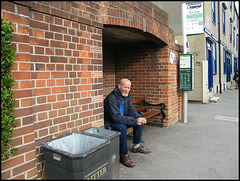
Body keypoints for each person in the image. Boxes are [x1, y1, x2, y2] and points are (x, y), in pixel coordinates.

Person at [104, 78, 151, 167]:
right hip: (111, 122)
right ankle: (123, 155)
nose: (127, 90)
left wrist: (139, 117)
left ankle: (137, 146)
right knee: (122, 128)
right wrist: (134, 120)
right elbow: (115, 117)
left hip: (122, 119)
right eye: (125, 87)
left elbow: (131, 110)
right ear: (119, 86)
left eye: (129, 88)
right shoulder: (111, 98)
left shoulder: (127, 96)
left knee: (139, 121)